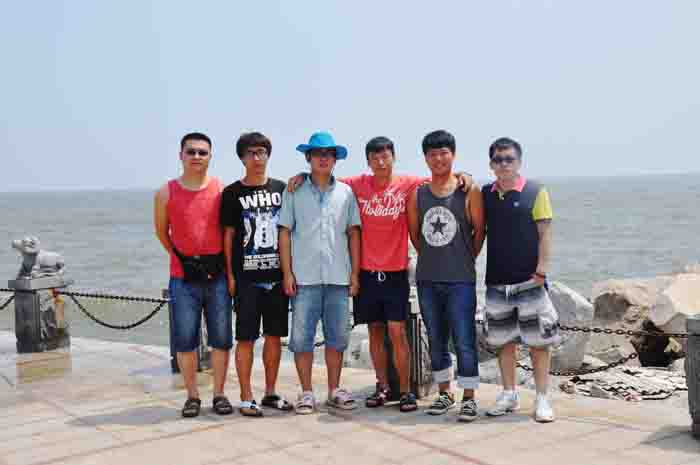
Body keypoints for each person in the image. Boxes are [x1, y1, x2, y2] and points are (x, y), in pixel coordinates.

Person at [287, 137, 472, 412]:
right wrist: (302, 176)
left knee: (397, 332)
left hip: (396, 271)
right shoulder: (356, 184)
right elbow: (324, 179)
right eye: (374, 158)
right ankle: (382, 386)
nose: (381, 162)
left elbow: (440, 176)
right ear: (368, 162)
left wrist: (463, 175)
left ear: (393, 158)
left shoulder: (408, 183)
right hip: (366, 272)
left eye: (385, 157)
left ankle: (406, 392)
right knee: (374, 332)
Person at [278, 131, 362, 414]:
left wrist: (355, 274)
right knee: (301, 340)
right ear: (308, 158)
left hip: (338, 277)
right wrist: (287, 273)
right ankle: (306, 392)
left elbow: (353, 234)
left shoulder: (346, 192)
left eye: (328, 154)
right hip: (304, 278)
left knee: (337, 338)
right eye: (317, 153)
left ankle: (334, 390)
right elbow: (285, 232)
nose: (323, 158)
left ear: (335, 159)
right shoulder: (294, 190)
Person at [154, 132, 233, 418]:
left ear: (210, 156)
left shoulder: (222, 190)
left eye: (202, 152)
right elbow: (161, 232)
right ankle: (192, 396)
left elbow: (228, 233)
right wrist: (182, 259)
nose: (197, 156)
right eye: (191, 151)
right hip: (182, 277)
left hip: (218, 275)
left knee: (221, 338)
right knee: (185, 339)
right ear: (181, 155)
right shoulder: (165, 193)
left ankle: (219, 394)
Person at [407, 130, 485, 422]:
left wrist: (465, 257)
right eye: (432, 154)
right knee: (436, 339)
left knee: (464, 339)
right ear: (425, 158)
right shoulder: (417, 195)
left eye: (444, 152)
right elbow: (415, 235)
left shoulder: (469, 191)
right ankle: (444, 392)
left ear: (453, 154)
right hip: (428, 279)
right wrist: (434, 257)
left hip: (461, 280)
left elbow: (479, 231)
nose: (438, 158)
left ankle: (469, 397)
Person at [482, 137, 559, 423]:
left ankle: (542, 398)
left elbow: (545, 233)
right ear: (491, 164)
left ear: (519, 162)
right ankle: (509, 394)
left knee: (539, 342)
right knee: (504, 342)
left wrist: (542, 270)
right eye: (498, 159)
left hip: (530, 281)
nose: (504, 164)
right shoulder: (485, 193)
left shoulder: (535, 191)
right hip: (497, 281)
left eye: (509, 159)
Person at [220, 132, 292, 417]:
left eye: (262, 152)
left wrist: (289, 273)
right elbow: (228, 236)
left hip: (277, 278)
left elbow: (288, 231)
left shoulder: (282, 189)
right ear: (242, 158)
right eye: (251, 153)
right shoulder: (232, 193)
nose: (257, 158)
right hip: (246, 280)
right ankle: (246, 396)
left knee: (274, 337)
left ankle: (270, 392)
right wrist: (230, 276)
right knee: (246, 339)